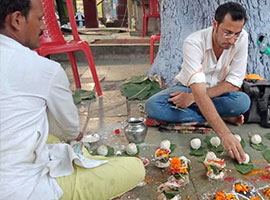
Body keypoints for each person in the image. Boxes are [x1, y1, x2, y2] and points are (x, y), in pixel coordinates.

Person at [0, 0, 145, 199]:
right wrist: (74, 134)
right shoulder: (44, 69)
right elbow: (71, 129)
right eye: (40, 18)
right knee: (135, 167)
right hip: (22, 190)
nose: (43, 26)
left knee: (50, 138)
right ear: (17, 19)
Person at [146, 2, 250, 164]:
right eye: (227, 33)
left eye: (237, 34)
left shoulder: (242, 39)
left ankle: (205, 115)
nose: (232, 40)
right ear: (215, 24)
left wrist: (193, 99)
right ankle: (218, 118)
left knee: (243, 102)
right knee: (153, 106)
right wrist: (224, 133)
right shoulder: (193, 42)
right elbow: (197, 90)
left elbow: (233, 84)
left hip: (216, 93)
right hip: (186, 89)